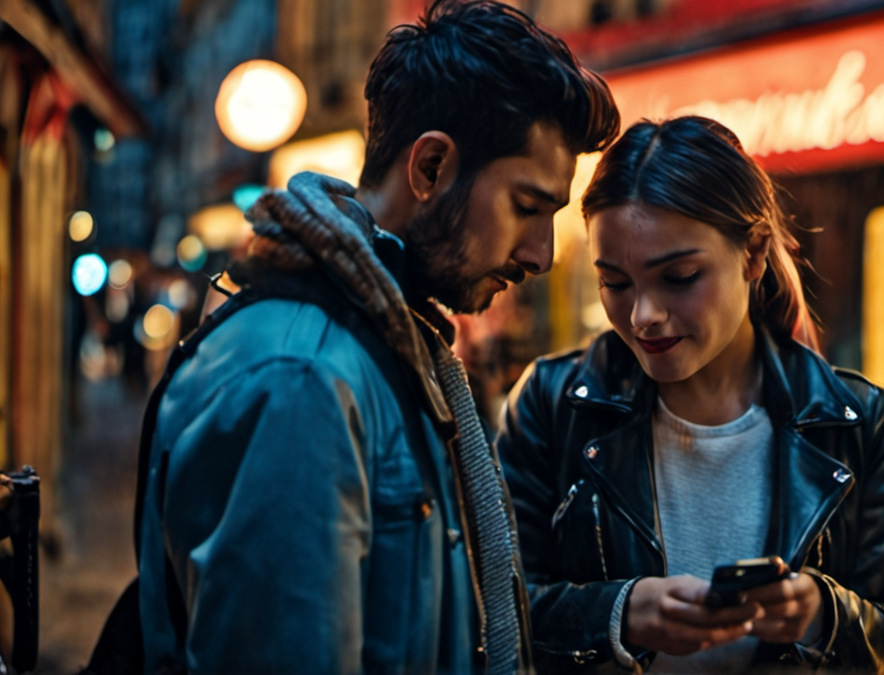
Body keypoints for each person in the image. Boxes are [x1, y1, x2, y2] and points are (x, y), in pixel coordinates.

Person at [134, 1, 620, 673]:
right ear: (429, 169)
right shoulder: (301, 380)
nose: (540, 254)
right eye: (527, 207)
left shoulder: (391, 346)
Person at [496, 117, 884, 674]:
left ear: (753, 254)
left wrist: (821, 613)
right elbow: (494, 609)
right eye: (615, 283)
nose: (644, 315)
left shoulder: (854, 420)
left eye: (680, 277)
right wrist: (620, 612)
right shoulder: (554, 406)